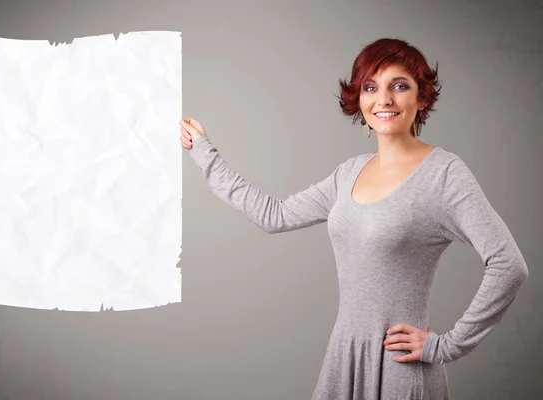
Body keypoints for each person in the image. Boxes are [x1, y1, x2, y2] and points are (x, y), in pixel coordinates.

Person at [178, 38, 529, 399]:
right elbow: (274, 215)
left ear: (422, 99)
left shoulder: (443, 174)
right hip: (343, 360)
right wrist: (205, 152)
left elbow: (508, 265)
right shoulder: (349, 172)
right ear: (359, 101)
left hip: (399, 369)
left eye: (400, 86)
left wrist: (446, 346)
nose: (384, 99)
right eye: (371, 87)